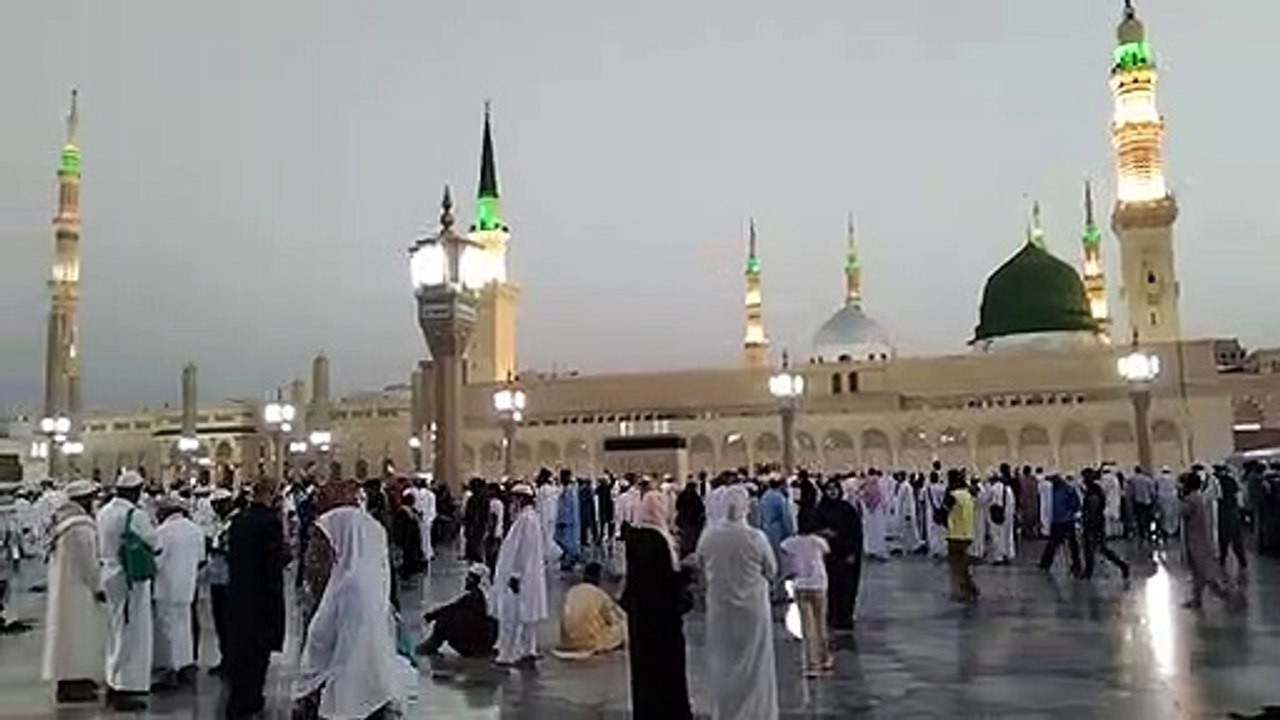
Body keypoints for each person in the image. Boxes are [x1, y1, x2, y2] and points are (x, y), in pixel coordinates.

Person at [293, 504, 402, 720]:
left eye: (321, 538)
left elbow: (352, 657)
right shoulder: (345, 580)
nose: (315, 547)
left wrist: (329, 703)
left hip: (345, 704)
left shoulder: (355, 589)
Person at [698, 486, 779, 720]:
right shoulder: (756, 538)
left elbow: (700, 564)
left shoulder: (710, 536)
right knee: (754, 664)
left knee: (722, 661)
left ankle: (725, 712)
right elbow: (771, 570)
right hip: (753, 610)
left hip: (720, 609)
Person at [621, 491, 693, 720]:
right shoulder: (656, 541)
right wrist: (684, 577)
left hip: (641, 620)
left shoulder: (637, 537)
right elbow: (661, 582)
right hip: (661, 622)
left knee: (645, 674)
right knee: (665, 672)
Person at [225, 477, 286, 719]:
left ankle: (238, 698)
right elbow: (272, 564)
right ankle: (251, 700)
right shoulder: (270, 523)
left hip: (238, 593)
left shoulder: (238, 520)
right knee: (258, 653)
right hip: (262, 597)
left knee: (239, 648)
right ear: (271, 494)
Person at [97, 471, 157, 711]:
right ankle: (126, 686)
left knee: (115, 628)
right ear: (136, 491)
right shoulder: (135, 514)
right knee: (133, 632)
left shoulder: (104, 512)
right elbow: (153, 541)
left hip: (109, 573)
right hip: (131, 577)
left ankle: (113, 678)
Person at [42, 480, 105, 703]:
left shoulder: (63, 522)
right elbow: (89, 563)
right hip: (78, 590)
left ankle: (70, 680)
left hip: (64, 589)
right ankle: (74, 682)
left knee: (65, 636)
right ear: (84, 500)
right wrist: (99, 587)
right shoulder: (80, 527)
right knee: (78, 636)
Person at [152, 497, 207, 690]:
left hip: (166, 587)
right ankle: (186, 664)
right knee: (184, 627)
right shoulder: (195, 530)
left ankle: (171, 669)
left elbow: (155, 561)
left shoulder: (162, 532)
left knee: (168, 630)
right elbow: (201, 559)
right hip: (187, 586)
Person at [489, 484, 547, 666]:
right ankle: (527, 649)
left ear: (521, 499)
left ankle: (508, 654)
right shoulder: (528, 518)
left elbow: (525, 551)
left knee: (512, 617)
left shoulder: (526, 520)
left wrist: (516, 575)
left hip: (520, 577)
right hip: (527, 576)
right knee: (526, 615)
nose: (512, 502)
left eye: (514, 499)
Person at [1180, 473, 1244, 610]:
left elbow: (1183, 513)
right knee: (1199, 571)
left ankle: (1226, 596)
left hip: (1195, 538)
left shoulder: (1191, 500)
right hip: (1204, 536)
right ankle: (1197, 599)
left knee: (1203, 572)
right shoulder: (1202, 498)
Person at [780, 516, 832, 678]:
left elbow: (782, 548)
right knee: (821, 623)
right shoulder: (818, 542)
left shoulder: (791, 543)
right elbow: (827, 551)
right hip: (819, 584)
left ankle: (811, 665)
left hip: (801, 585)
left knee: (807, 626)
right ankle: (824, 659)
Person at [418, 564, 498, 659]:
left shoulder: (477, 597)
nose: (466, 580)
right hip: (484, 641)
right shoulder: (485, 595)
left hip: (477, 641)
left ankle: (430, 646)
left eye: (470, 577)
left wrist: (433, 616)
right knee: (451, 615)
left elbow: (454, 607)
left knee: (447, 618)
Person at [815, 478, 862, 632]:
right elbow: (813, 530)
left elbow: (856, 533)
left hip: (845, 556)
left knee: (846, 588)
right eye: (829, 489)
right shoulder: (820, 510)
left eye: (835, 488)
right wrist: (824, 533)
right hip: (829, 556)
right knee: (830, 588)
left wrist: (853, 552)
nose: (832, 492)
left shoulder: (847, 509)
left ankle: (845, 617)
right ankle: (831, 616)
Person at [553, 562, 626, 660]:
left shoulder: (572, 591)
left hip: (566, 642)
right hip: (588, 642)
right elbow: (613, 619)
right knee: (622, 627)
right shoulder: (600, 595)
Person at [203, 489, 235, 675]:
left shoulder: (234, 522)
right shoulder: (217, 522)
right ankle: (224, 657)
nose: (217, 509)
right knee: (219, 620)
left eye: (220, 505)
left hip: (230, 578)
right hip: (216, 578)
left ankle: (232, 659)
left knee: (229, 620)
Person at [1081, 469, 1130, 581]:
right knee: (1095, 549)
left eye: (1084, 477)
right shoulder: (1093, 489)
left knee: (1096, 549)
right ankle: (1089, 572)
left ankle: (1122, 565)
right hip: (1096, 522)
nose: (1083, 480)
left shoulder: (1094, 490)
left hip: (1094, 524)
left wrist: (1087, 521)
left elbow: (1093, 507)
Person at [941, 469, 979, 603]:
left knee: (957, 565)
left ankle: (963, 593)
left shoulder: (953, 496)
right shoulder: (967, 494)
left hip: (955, 534)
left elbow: (942, 514)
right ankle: (971, 588)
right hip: (968, 533)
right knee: (963, 564)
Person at [1038, 475, 1082, 577]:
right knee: (1056, 544)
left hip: (1065, 521)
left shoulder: (1068, 490)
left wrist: (1070, 513)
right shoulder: (1053, 491)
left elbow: (1076, 504)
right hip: (1058, 520)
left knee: (1069, 544)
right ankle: (1046, 562)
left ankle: (1075, 564)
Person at [759, 477, 794, 600]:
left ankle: (770, 590)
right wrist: (791, 533)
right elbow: (786, 517)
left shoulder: (764, 497)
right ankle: (780, 592)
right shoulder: (779, 498)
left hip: (766, 530)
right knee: (780, 562)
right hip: (778, 531)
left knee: (769, 560)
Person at [1214, 466, 1248, 580]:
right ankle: (1242, 561)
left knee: (1223, 539)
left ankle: (1222, 560)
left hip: (1220, 512)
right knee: (1236, 539)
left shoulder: (1214, 481)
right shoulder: (1231, 480)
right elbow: (1238, 497)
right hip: (1232, 512)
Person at [391, 490, 425, 581]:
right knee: (406, 556)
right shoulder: (402, 512)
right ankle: (405, 572)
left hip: (410, 539)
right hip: (407, 538)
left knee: (409, 556)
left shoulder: (411, 511)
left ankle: (409, 571)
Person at [858, 471, 889, 561]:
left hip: (871, 513)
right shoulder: (878, 488)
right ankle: (876, 550)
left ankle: (872, 550)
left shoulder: (867, 488)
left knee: (871, 531)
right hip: (875, 513)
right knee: (877, 531)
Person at [986, 475, 1016, 565]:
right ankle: (1008, 555)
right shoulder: (1009, 489)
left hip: (996, 515)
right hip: (1008, 516)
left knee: (996, 536)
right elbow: (1013, 503)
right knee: (1007, 536)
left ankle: (998, 557)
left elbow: (986, 499)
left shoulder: (993, 489)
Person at [554, 472, 582, 570]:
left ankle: (569, 562)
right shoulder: (566, 489)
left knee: (569, 543)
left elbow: (569, 507)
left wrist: (563, 520)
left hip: (569, 523)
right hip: (565, 522)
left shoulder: (570, 490)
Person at [674, 479, 706, 558]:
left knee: (684, 539)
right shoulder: (695, 496)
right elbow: (700, 509)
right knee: (691, 540)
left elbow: (677, 506)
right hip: (693, 522)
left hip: (683, 521)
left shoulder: (682, 494)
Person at [893, 472, 923, 554]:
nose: (898, 478)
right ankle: (906, 547)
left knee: (910, 530)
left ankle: (914, 546)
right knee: (905, 530)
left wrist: (908, 513)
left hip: (906, 513)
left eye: (899, 476)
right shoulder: (903, 486)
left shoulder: (906, 487)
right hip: (902, 512)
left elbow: (908, 502)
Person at [462, 478, 489, 563]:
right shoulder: (473, 498)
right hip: (474, 526)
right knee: (473, 548)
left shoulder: (481, 499)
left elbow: (480, 514)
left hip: (477, 527)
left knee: (476, 548)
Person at [1128, 466, 1156, 543]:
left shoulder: (1133, 479)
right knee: (1148, 518)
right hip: (1147, 501)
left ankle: (1142, 533)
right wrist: (1153, 500)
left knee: (1139, 518)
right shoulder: (1148, 479)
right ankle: (1149, 532)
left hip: (1138, 501)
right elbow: (1152, 492)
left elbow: (1131, 492)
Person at [1155, 467, 1181, 540]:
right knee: (1172, 516)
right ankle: (1172, 530)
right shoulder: (1173, 480)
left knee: (1164, 517)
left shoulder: (1158, 480)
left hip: (1162, 500)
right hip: (1172, 500)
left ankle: (1165, 530)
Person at [596, 478, 616, 547]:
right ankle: (602, 537)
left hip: (607, 509)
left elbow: (613, 481)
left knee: (607, 524)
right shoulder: (600, 488)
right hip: (603, 509)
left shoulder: (607, 487)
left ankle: (608, 537)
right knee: (603, 524)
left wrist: (610, 474)